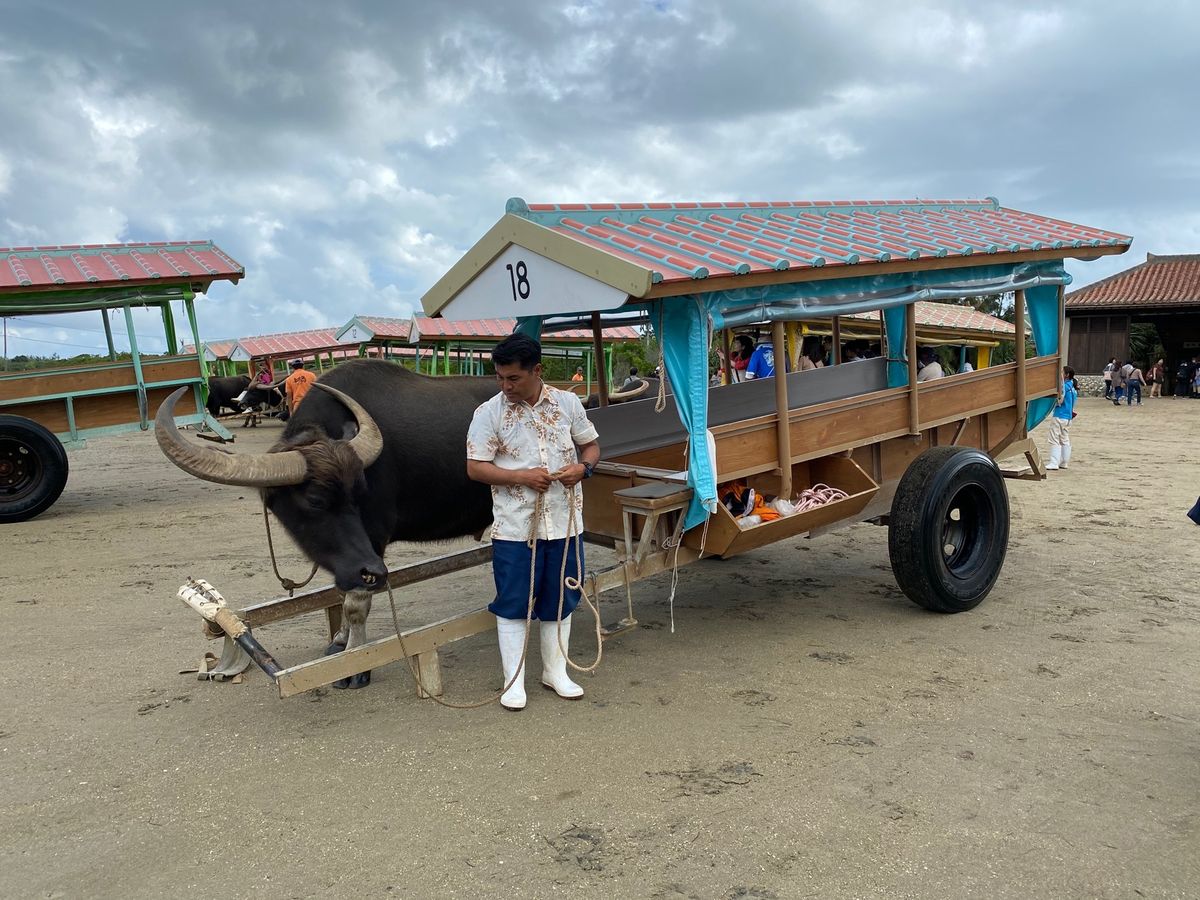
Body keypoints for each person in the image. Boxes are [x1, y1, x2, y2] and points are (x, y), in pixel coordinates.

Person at [466, 334, 601, 711]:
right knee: (512, 601)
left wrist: (583, 468)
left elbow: (591, 446)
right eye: (500, 378)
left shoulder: (568, 403)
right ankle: (514, 680)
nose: (505, 386)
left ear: (537, 371)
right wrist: (521, 477)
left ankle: (555, 672)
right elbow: (475, 467)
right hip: (515, 526)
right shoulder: (488, 413)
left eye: (513, 379)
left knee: (561, 596)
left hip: (565, 522)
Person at [1045, 366, 1077, 471]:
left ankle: (1054, 462)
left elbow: (1060, 400)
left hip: (1059, 415)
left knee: (1054, 438)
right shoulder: (1072, 387)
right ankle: (1064, 462)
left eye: (1062, 372)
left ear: (1067, 375)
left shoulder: (1064, 387)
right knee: (1065, 439)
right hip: (1068, 417)